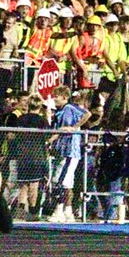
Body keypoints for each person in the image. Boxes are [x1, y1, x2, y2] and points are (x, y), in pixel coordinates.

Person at [47, 86, 90, 223]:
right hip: (62, 150)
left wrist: (75, 127)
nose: (54, 99)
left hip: (70, 150)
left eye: (56, 97)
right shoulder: (59, 112)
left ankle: (58, 210)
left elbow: (87, 114)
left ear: (64, 97)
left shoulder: (69, 108)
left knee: (60, 180)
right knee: (67, 183)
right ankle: (68, 211)